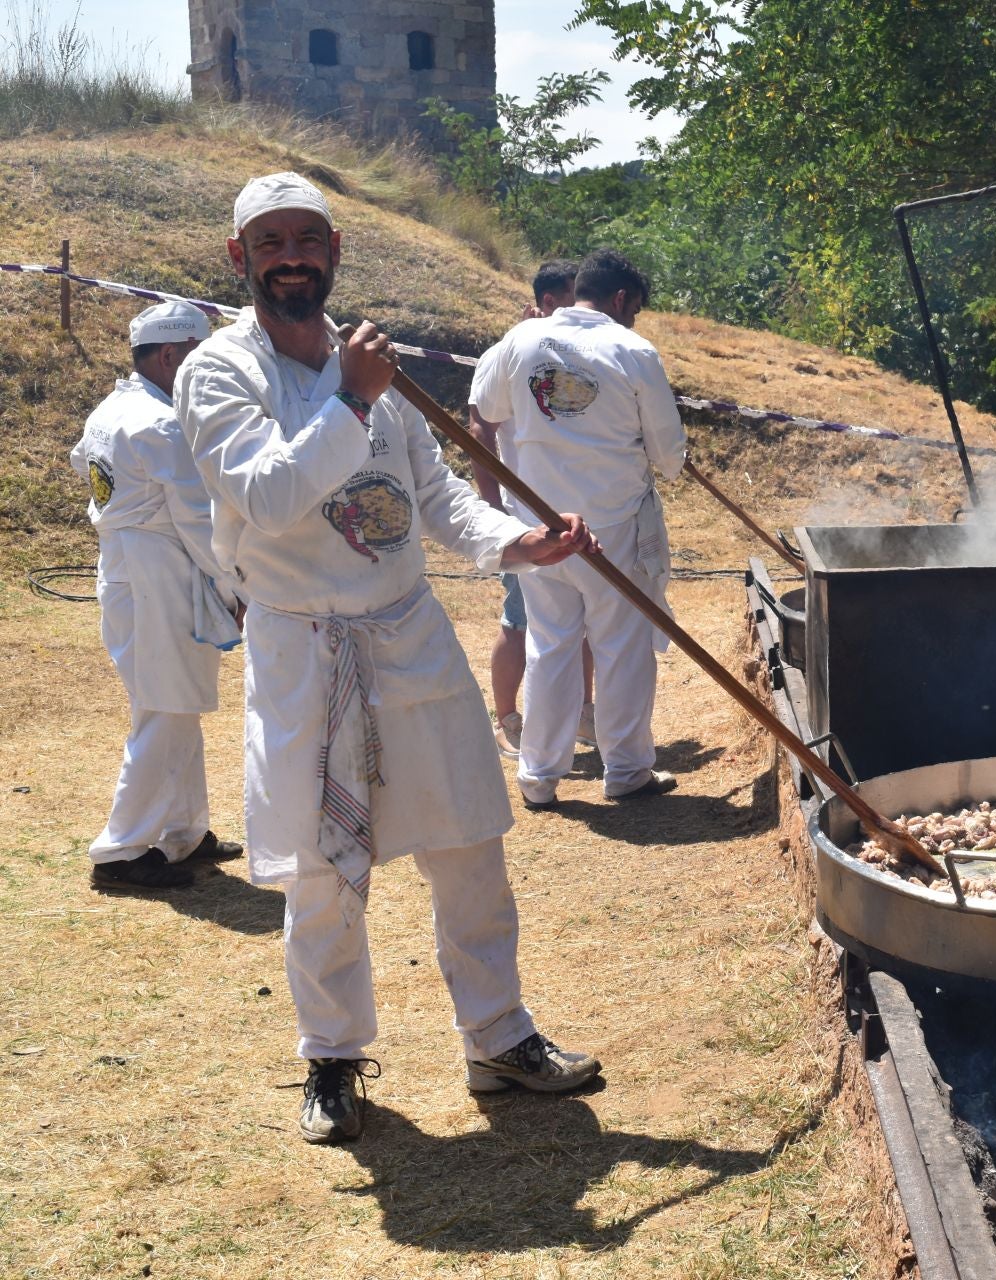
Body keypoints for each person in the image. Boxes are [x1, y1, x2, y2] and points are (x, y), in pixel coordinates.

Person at [177, 171, 604, 1143]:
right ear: (240, 258)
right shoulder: (218, 373)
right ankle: (330, 1057)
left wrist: (513, 543)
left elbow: (434, 496)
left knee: (470, 847)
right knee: (320, 876)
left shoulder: (370, 368)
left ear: (335, 252)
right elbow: (272, 493)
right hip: (304, 647)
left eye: (309, 239)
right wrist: (353, 398)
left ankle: (499, 1038)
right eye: (271, 241)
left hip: (406, 630)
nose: (292, 256)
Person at [470, 247, 687, 809]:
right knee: (621, 648)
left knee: (551, 645)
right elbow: (670, 457)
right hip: (613, 529)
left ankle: (539, 777)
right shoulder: (633, 349)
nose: (634, 318)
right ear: (619, 299)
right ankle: (628, 771)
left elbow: (483, 417)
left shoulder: (517, 342)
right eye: (634, 307)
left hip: (540, 528)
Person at [71, 301, 244, 891]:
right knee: (163, 712)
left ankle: (184, 832)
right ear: (171, 355)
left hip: (130, 568)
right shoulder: (162, 421)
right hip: (159, 576)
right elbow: (199, 520)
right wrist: (236, 585)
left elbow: (84, 466)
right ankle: (120, 850)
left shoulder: (114, 407)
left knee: (176, 706)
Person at [470, 259, 595, 757]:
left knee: (580, 619)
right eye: (570, 300)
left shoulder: (577, 354)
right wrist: (492, 508)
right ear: (546, 303)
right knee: (519, 622)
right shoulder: (506, 352)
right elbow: (479, 429)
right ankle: (507, 718)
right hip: (524, 517)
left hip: (575, 513)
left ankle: (583, 712)